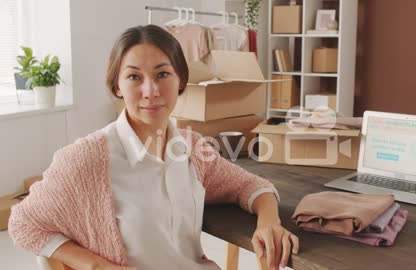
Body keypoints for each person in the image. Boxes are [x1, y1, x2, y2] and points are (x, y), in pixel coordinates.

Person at [8, 25, 299, 270]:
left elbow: (251, 185)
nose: (151, 91)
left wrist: (269, 222)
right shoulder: (88, 158)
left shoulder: (194, 149)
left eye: (162, 74)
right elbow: (23, 224)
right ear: (117, 85)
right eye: (134, 77)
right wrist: (98, 266)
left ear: (180, 80)